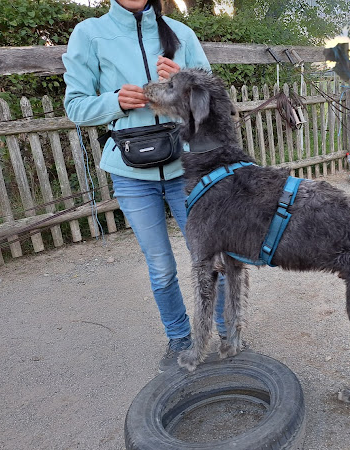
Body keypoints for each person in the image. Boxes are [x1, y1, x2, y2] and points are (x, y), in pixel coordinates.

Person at [62, 0, 227, 372]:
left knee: (213, 258)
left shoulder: (181, 34)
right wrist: (114, 102)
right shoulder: (89, 34)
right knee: (161, 266)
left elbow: (212, 102)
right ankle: (180, 340)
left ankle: (228, 333)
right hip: (131, 171)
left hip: (188, 169)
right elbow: (75, 106)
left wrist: (188, 80)